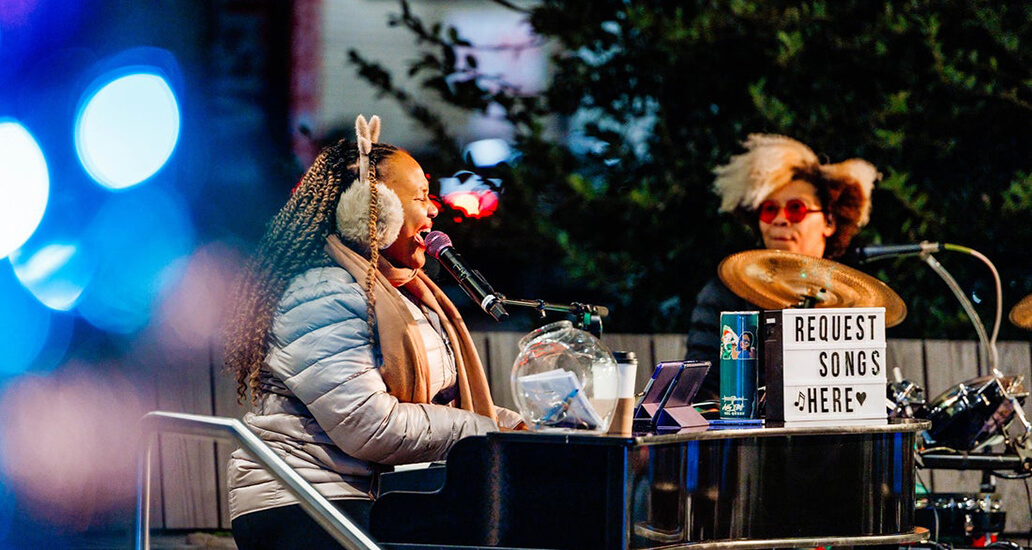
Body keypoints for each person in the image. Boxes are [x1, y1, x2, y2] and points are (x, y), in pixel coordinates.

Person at [222, 115, 523, 549]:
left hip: (374, 497)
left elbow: (447, 408)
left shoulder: (409, 296)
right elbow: (368, 424)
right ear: (372, 209)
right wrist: (485, 432)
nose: (434, 208)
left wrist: (527, 429)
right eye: (420, 197)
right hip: (304, 502)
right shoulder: (321, 290)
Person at [686, 134, 879, 403]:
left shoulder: (852, 299)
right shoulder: (724, 293)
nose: (779, 220)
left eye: (795, 209)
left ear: (829, 221)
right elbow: (701, 392)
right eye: (768, 209)